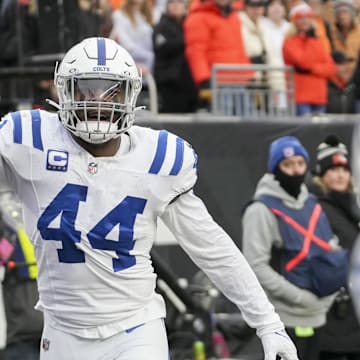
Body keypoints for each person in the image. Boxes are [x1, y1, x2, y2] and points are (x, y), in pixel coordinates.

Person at [0, 37, 298, 360]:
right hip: (62, 331)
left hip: (135, 329)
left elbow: (212, 248)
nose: (99, 102)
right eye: (86, 90)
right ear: (64, 91)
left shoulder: (156, 159)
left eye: (111, 91)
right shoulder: (26, 141)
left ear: (131, 96)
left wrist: (268, 322)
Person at [242, 135, 348, 360]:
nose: (295, 170)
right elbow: (255, 267)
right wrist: (301, 298)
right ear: (274, 168)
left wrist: (326, 297)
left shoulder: (312, 203)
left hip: (318, 317)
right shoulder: (260, 210)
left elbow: (331, 251)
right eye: (287, 165)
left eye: (300, 163)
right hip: (283, 321)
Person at [310, 135, 360, 360]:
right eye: (333, 169)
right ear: (321, 174)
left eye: (344, 169)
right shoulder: (316, 209)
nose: (340, 174)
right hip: (332, 320)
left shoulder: (353, 209)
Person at [282, 2, 336, 116]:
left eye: (308, 17)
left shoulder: (318, 41)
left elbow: (330, 69)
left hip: (320, 97)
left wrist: (312, 70)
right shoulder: (290, 41)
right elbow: (304, 62)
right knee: (304, 132)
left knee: (320, 132)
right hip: (301, 97)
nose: (305, 21)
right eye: (300, 18)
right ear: (294, 21)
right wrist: (310, 40)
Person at [153, 0, 198, 113]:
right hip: (169, 82)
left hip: (189, 82)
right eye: (172, 2)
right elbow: (163, 48)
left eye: (179, 2)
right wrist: (187, 41)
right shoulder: (161, 26)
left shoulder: (189, 25)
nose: (176, 6)